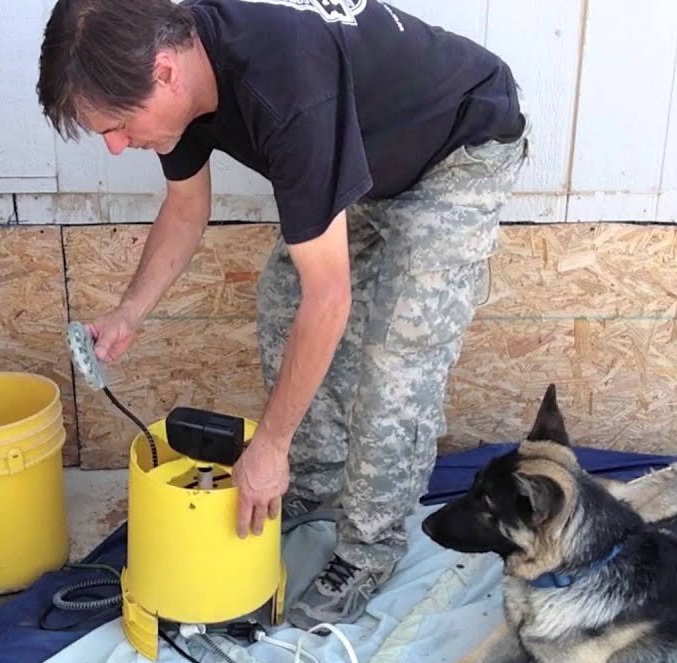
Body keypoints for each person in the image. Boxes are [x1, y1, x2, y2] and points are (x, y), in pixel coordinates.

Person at [37, 0, 529, 628]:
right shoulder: (176, 71)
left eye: (118, 124)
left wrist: (268, 444)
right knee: (281, 298)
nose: (114, 146)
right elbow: (187, 210)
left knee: (395, 358)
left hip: (457, 145)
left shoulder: (285, 88)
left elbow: (331, 299)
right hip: (368, 153)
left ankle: (367, 548)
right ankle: (316, 487)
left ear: (163, 73)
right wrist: (131, 312)